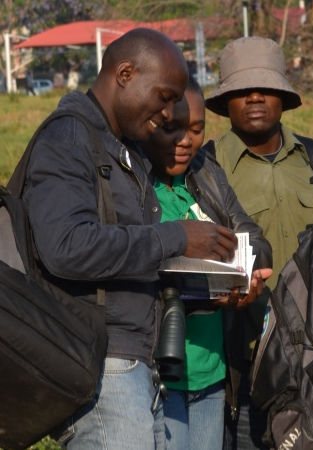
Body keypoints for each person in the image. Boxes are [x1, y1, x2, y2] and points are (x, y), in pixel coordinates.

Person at [21, 28, 239, 449]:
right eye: (164, 96)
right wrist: (175, 237)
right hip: (101, 363)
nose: (169, 112)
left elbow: (131, 257)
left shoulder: (124, 148)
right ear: (124, 73)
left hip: (139, 363)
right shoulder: (68, 138)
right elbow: (67, 247)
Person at [204, 36, 313, 449]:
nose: (255, 96)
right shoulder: (205, 168)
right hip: (243, 360)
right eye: (242, 90)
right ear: (225, 101)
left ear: (283, 97)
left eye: (265, 87)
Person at [138, 78, 273, 450]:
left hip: (211, 371)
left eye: (196, 130)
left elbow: (253, 236)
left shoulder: (205, 172)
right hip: (157, 373)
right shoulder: (133, 184)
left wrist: (245, 276)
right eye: (172, 129)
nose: (186, 141)